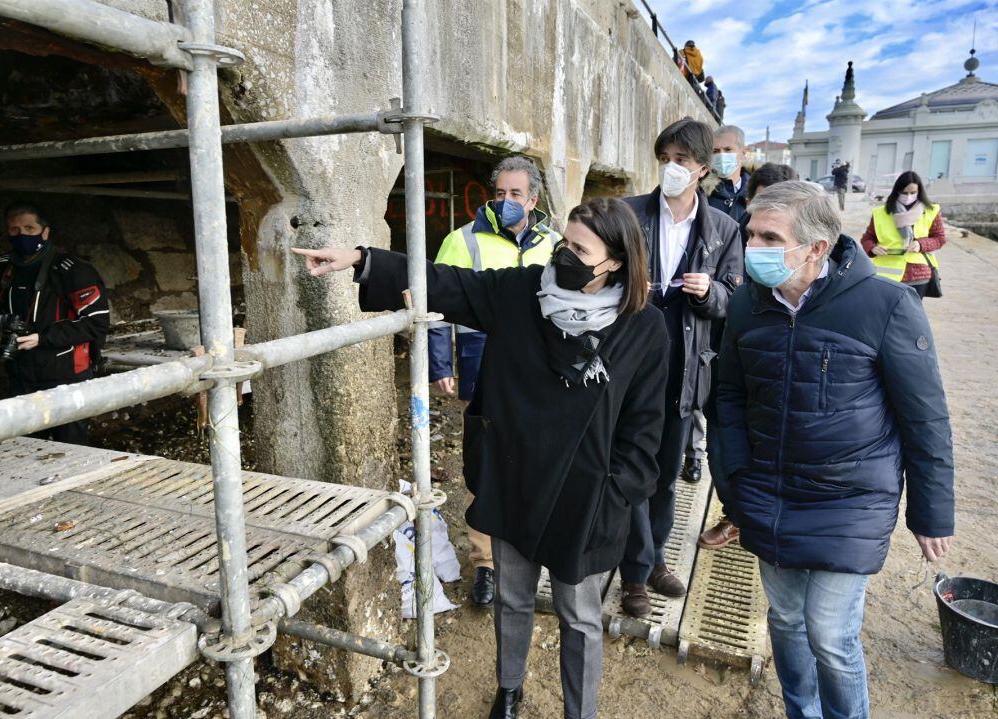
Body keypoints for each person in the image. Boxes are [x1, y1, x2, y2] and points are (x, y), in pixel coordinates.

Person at [294, 197, 668, 719]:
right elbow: (450, 282)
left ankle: (579, 712)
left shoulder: (644, 326)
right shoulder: (522, 292)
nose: (564, 254)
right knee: (512, 597)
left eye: (579, 249)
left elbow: (647, 422)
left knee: (579, 615)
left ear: (616, 261)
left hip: (588, 493)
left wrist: (619, 488)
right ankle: (509, 690)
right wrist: (363, 260)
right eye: (563, 241)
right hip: (515, 477)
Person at [718, 181, 954, 719]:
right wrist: (733, 477)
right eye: (751, 233)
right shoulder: (747, 307)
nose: (753, 246)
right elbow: (728, 396)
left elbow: (925, 418)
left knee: (828, 632)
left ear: (817, 247)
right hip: (769, 492)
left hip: (850, 498)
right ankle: (801, 711)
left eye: (769, 236)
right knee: (784, 621)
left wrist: (931, 511)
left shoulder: (886, 305)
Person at [618, 118, 743, 617]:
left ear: (702, 168)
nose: (671, 168)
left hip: (685, 366)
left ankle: (653, 561)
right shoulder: (628, 214)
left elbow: (737, 298)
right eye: (665, 158)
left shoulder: (723, 229)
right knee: (631, 468)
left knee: (667, 474)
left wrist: (710, 292)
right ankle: (633, 574)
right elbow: (598, 273)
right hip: (631, 363)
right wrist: (629, 289)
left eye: (682, 161)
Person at [429, 156, 559, 607]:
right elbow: (435, 300)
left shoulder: (557, 245)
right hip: (480, 360)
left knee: (536, 455)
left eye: (516, 194)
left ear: (534, 199)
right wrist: (440, 364)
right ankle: (485, 562)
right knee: (486, 461)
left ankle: (529, 546)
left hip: (541, 369)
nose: (506, 201)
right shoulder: (462, 240)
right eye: (499, 193)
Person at [697, 161, 798, 551]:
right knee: (721, 447)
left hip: (777, 373)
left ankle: (768, 520)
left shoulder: (804, 257)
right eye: (759, 203)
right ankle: (735, 514)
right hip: (728, 360)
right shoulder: (731, 236)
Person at [0, 201, 110, 445]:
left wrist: (43, 337)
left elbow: (97, 324)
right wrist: (2, 324)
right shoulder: (3, 267)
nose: (22, 235)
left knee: (72, 449)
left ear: (45, 232)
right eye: (15, 230)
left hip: (66, 375)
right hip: (21, 374)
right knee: (28, 448)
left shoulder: (72, 270)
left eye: (29, 228)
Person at [680, 125, 749, 487]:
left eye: (727, 149)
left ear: (742, 152)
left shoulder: (758, 196)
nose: (722, 155)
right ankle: (693, 454)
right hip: (708, 306)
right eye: (716, 150)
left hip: (741, 302)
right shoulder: (710, 196)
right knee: (693, 378)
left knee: (724, 393)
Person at [860, 170, 945, 299]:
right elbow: (868, 238)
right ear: (897, 191)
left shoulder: (931, 211)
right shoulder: (880, 213)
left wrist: (920, 244)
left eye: (913, 193)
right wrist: (872, 247)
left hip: (918, 273)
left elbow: (939, 238)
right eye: (904, 193)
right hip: (886, 273)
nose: (908, 196)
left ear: (919, 192)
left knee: (911, 315)